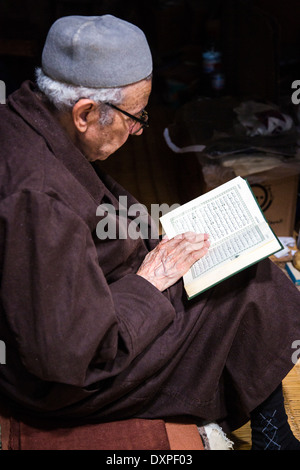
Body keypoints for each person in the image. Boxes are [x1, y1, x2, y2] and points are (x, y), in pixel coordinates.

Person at [0, 15, 300, 451]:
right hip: (65, 381)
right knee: (249, 285)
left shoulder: (22, 113)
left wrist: (151, 244)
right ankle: (275, 439)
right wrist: (148, 282)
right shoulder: (38, 199)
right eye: (135, 116)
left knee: (230, 269)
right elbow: (68, 355)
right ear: (84, 113)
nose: (140, 129)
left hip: (92, 303)